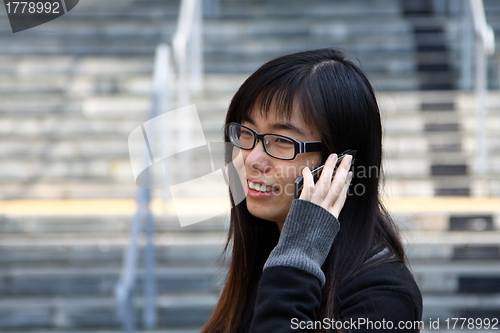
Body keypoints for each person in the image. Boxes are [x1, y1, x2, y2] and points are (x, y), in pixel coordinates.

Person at [200, 48, 422, 333]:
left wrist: (297, 260)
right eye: (246, 133)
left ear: (340, 165)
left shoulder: (382, 296)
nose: (252, 159)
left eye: (281, 140)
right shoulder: (268, 256)